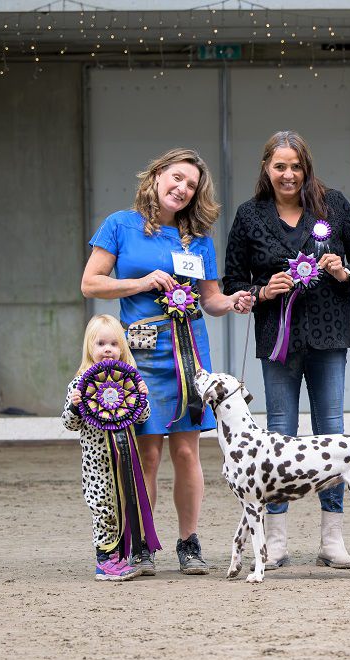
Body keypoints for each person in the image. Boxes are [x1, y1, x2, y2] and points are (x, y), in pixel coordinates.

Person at [81, 148, 253, 576]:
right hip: (139, 357)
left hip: (190, 355)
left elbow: (210, 299)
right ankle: (142, 544)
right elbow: (90, 283)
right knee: (147, 455)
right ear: (157, 175)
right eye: (177, 178)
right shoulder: (120, 225)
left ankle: (188, 542)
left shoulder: (198, 240)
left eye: (191, 185)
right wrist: (140, 282)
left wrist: (234, 301)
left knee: (186, 451)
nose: (182, 188)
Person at [222, 130, 350, 570]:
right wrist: (262, 289)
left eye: (296, 166)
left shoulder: (335, 205)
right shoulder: (249, 215)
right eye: (279, 167)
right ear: (266, 169)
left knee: (331, 429)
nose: (288, 174)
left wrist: (344, 271)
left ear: (306, 167)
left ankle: (333, 539)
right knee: (279, 432)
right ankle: (275, 540)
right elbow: (234, 282)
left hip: (330, 332)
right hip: (278, 338)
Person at [63, 314, 152, 582]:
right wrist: (75, 405)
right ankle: (105, 560)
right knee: (103, 508)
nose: (107, 349)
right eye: (101, 343)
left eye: (114, 343)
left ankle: (121, 555)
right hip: (97, 464)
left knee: (123, 505)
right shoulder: (79, 384)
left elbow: (142, 417)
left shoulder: (130, 382)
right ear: (89, 347)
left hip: (123, 461)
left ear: (122, 348)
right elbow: (69, 423)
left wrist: (143, 398)